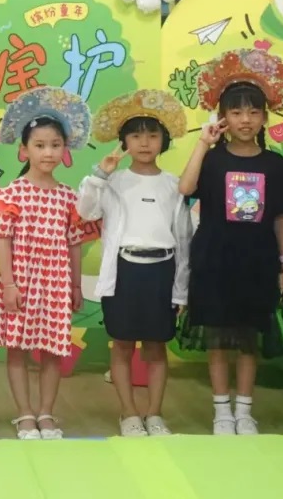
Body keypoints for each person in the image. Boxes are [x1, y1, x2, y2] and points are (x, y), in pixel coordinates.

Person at [178, 49, 283, 435]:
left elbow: (278, 217)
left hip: (257, 260)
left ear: (264, 117)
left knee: (248, 339)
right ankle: (221, 412)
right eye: (237, 112)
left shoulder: (274, 164)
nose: (246, 120)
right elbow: (186, 188)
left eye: (254, 112)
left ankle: (244, 410)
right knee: (217, 338)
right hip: (214, 258)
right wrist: (203, 143)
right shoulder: (212, 159)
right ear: (223, 116)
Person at [78, 90, 192, 438]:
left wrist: (181, 290)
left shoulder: (174, 185)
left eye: (153, 135)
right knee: (123, 345)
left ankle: (154, 414)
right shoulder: (112, 181)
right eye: (136, 135)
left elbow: (184, 238)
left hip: (162, 271)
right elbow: (86, 211)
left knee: (156, 347)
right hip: (124, 271)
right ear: (123, 141)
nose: (144, 143)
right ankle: (128, 413)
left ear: (164, 141)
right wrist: (99, 175)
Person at [0, 86, 92, 440]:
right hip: (21, 281)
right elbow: (3, 240)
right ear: (24, 149)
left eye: (55, 145)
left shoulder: (69, 197)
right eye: (39, 145)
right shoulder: (10, 194)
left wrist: (75, 285)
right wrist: (9, 284)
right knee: (17, 349)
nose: (48, 152)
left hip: (56, 283)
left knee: (52, 349)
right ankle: (24, 414)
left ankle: (46, 413)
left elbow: (75, 243)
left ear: (65, 150)